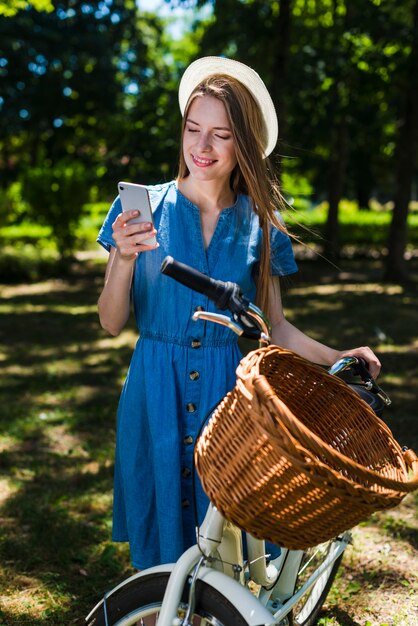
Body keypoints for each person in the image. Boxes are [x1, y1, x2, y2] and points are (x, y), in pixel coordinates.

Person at [97, 56, 381, 571]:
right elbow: (112, 322)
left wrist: (339, 355)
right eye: (192, 129)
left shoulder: (260, 225)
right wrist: (122, 257)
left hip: (227, 402)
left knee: (226, 553)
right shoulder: (139, 210)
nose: (201, 148)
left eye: (221, 135)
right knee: (161, 558)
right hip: (153, 389)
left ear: (243, 143)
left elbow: (274, 329)